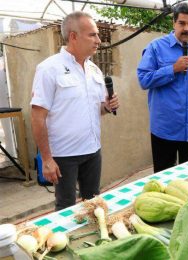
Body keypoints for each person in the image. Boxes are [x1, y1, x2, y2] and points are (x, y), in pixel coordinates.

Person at [30, 11, 119, 211]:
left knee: (94, 203)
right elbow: (37, 117)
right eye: (92, 35)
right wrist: (46, 159)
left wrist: (107, 106)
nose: (99, 40)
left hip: (93, 151)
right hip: (63, 156)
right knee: (66, 207)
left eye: (98, 35)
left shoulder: (94, 70)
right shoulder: (49, 69)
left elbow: (97, 109)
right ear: (73, 37)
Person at [137, 2, 188, 172]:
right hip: (165, 131)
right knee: (162, 181)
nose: (186, 28)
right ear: (174, 23)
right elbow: (143, 80)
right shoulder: (156, 47)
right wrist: (172, 69)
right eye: (182, 23)